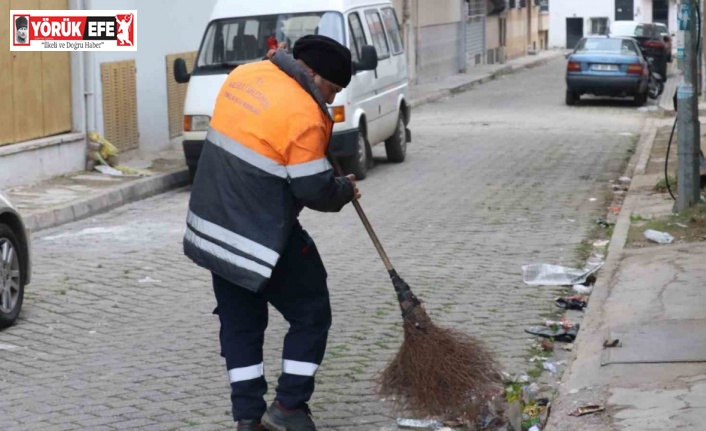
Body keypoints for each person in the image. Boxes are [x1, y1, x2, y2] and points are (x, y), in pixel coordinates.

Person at [183, 35, 359, 431]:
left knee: (241, 323)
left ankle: (248, 417)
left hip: (211, 228)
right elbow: (314, 191)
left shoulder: (244, 75)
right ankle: (289, 406)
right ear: (312, 74)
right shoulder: (306, 115)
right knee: (311, 311)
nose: (330, 100)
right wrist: (344, 188)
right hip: (259, 236)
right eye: (331, 90)